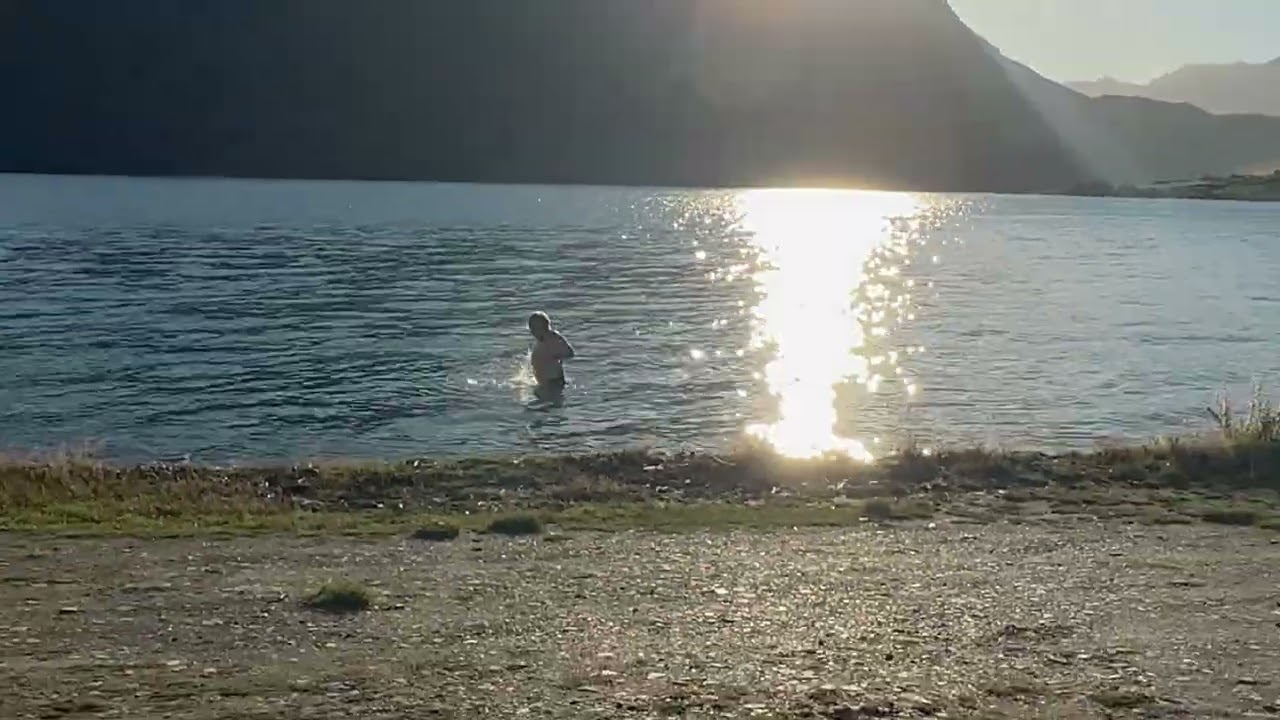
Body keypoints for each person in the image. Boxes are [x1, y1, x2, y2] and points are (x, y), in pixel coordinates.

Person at [528, 311, 574, 396]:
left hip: (554, 382)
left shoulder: (553, 337)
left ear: (545, 327)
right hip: (544, 383)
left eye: (534, 328)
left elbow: (570, 352)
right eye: (531, 328)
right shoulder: (541, 340)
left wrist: (556, 356)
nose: (532, 332)